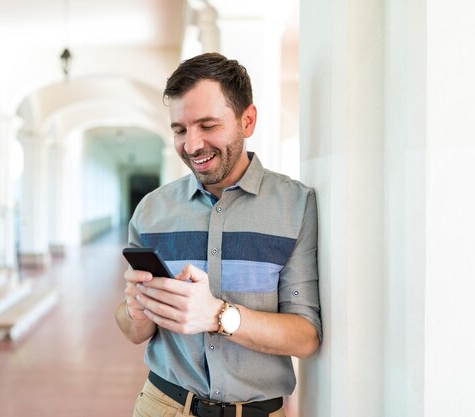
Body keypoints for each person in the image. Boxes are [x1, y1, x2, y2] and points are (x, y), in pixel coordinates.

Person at [115, 52, 322, 417]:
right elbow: (134, 331)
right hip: (162, 405)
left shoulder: (296, 206)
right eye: (180, 129)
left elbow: (305, 336)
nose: (192, 145)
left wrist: (217, 316)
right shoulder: (151, 210)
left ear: (248, 120)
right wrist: (137, 310)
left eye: (207, 126)